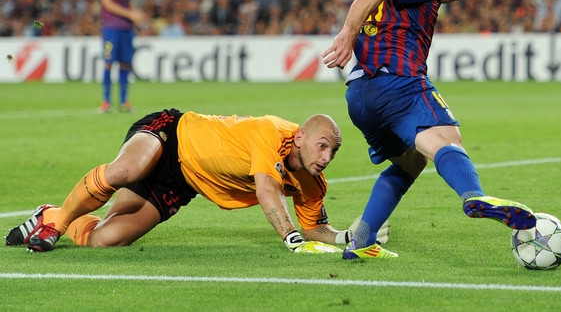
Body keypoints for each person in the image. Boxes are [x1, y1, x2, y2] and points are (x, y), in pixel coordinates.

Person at [322, 0, 536, 260]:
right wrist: (347, 34)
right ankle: (474, 196)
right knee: (448, 139)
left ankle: (361, 241)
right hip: (398, 81)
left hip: (361, 95)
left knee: (411, 163)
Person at [5, 110, 382, 254]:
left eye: (333, 151)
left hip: (183, 181)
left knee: (107, 238)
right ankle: (56, 226)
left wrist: (347, 237)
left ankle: (48, 213)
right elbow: (267, 188)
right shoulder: (272, 132)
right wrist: (290, 238)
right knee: (126, 170)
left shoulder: (313, 184)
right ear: (300, 138)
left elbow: (315, 227)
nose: (326, 157)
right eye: (322, 146)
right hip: (173, 134)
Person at [97, 0, 145, 113]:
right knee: (108, 63)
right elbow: (107, 3)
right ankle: (106, 101)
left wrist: (136, 18)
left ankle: (124, 101)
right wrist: (130, 14)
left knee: (125, 63)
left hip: (126, 28)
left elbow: (129, 1)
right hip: (111, 28)